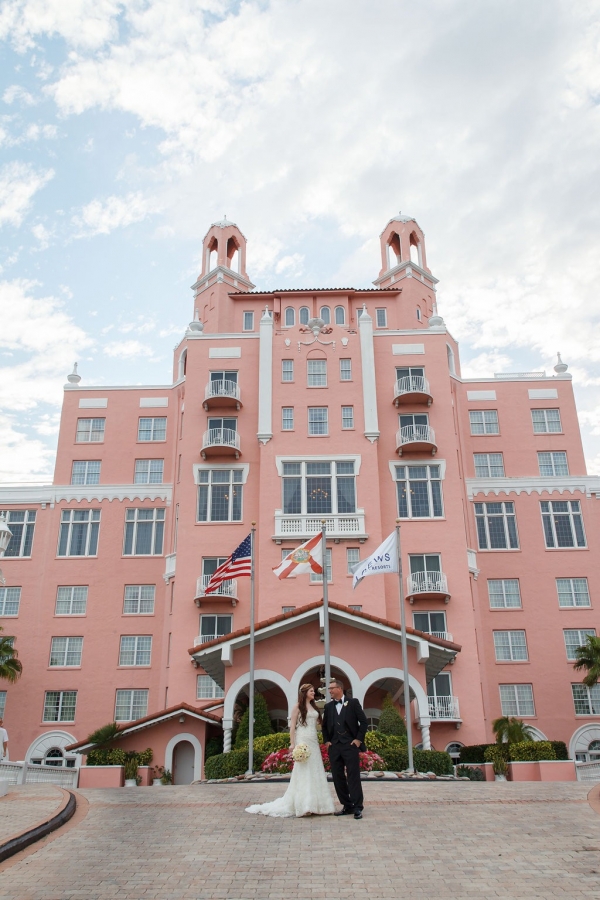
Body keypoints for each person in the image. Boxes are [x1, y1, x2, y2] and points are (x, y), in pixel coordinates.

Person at [245, 684, 335, 818]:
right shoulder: (297, 707)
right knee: (304, 771)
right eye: (311, 691)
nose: (313, 693)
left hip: (313, 741)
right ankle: (304, 805)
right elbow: (292, 727)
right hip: (302, 738)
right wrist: (293, 743)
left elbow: (319, 724)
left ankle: (319, 805)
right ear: (304, 693)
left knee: (315, 770)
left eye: (313, 691)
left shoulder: (314, 707)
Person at [322, 678, 368, 820]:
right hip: (335, 746)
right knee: (337, 777)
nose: (329, 691)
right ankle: (347, 805)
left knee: (353, 776)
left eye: (331, 688)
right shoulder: (328, 707)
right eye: (328, 689)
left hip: (350, 745)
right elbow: (324, 727)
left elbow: (364, 722)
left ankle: (358, 807)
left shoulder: (353, 703)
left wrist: (358, 740)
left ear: (339, 689)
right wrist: (327, 741)